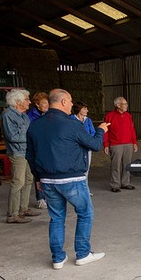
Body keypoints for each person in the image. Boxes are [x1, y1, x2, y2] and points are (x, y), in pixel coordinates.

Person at [26, 89, 109, 269]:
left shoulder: (35, 125)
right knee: (85, 213)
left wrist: (38, 178)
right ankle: (83, 253)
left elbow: (30, 155)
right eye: (70, 101)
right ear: (63, 102)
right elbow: (94, 145)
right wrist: (101, 130)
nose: (72, 105)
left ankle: (57, 258)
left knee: (56, 218)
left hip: (47, 179)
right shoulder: (72, 125)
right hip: (73, 179)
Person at [0, 89, 40, 223]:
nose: (29, 102)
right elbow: (12, 136)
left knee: (28, 179)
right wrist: (30, 137)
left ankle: (23, 208)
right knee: (18, 182)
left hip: (27, 151)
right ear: (18, 102)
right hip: (17, 153)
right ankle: (12, 214)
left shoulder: (23, 115)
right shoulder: (8, 115)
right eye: (27, 99)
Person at [104, 97, 138, 193]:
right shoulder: (109, 116)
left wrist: (134, 142)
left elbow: (132, 130)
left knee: (127, 164)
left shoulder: (128, 116)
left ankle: (125, 183)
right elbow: (105, 131)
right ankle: (115, 184)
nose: (127, 105)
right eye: (125, 104)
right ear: (118, 105)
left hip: (128, 143)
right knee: (116, 165)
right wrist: (105, 144)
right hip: (115, 144)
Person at [26, 92, 49, 209]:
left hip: (46, 146)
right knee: (38, 172)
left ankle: (48, 196)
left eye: (47, 102)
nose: (47, 105)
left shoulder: (48, 114)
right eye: (44, 103)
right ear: (37, 104)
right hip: (36, 146)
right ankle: (40, 198)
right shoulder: (30, 116)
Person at [72, 102, 96, 182]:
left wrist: (90, 142)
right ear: (79, 109)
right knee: (75, 168)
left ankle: (85, 189)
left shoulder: (88, 120)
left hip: (87, 147)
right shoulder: (71, 119)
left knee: (86, 168)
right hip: (75, 148)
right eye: (85, 108)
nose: (87, 110)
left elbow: (92, 132)